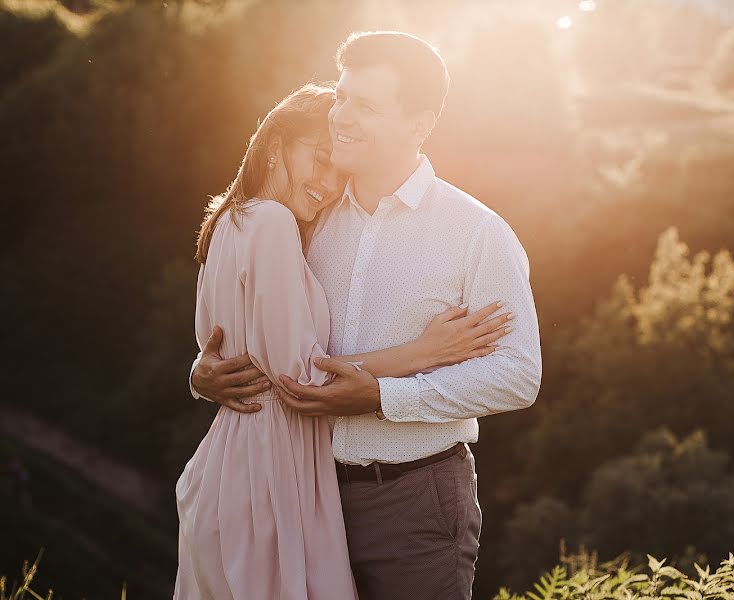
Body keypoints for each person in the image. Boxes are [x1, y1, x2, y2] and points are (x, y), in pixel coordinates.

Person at [192, 31, 542, 600]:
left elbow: (518, 375)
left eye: (366, 105)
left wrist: (384, 396)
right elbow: (266, 331)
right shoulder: (309, 214)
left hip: (414, 500)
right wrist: (205, 371)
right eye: (343, 98)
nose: (341, 116)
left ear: (418, 124)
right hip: (306, 493)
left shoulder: (476, 233)